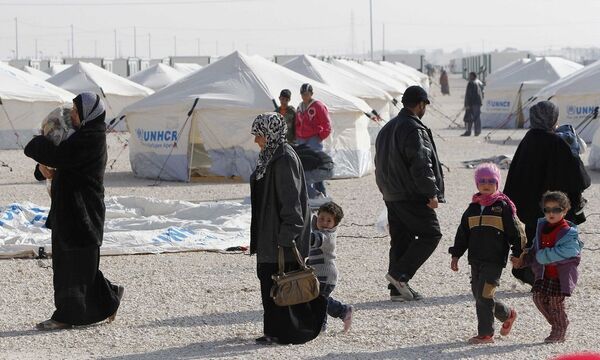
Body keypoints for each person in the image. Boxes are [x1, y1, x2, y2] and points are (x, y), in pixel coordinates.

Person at [24, 92, 124, 330]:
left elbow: (57, 155)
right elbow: (58, 160)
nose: (71, 114)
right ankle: (108, 297)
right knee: (69, 264)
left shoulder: (91, 138)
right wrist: (42, 167)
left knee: (78, 265)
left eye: (76, 111)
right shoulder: (80, 136)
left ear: (87, 115)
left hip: (84, 212)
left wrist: (38, 143)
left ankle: (68, 315)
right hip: (69, 210)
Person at [249, 112, 326, 345]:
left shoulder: (284, 159)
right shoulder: (270, 156)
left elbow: (292, 201)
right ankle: (274, 331)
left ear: (270, 134)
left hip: (280, 236)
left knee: (284, 283)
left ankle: (289, 331)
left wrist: (287, 236)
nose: (256, 141)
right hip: (269, 234)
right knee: (270, 282)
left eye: (259, 135)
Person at [504, 101, 590, 286]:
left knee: (532, 238)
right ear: (553, 119)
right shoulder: (557, 142)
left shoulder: (528, 139)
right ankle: (540, 275)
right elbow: (581, 179)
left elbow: (515, 176)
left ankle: (527, 269)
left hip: (527, 208)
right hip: (551, 209)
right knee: (554, 242)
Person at [374, 85, 445, 302]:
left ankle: (397, 291)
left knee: (401, 239)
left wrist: (385, 190)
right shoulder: (413, 128)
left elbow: (379, 164)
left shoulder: (387, 128)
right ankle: (399, 276)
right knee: (431, 233)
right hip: (411, 194)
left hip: (392, 194)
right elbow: (421, 164)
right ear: (421, 104)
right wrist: (431, 194)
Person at [449, 163, 526, 344]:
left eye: (491, 181)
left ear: (497, 183)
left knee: (484, 295)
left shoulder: (503, 207)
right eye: (482, 180)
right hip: (475, 259)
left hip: (494, 261)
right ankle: (508, 314)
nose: (486, 184)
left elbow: (517, 232)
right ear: (477, 184)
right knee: (480, 295)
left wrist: (518, 254)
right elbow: (463, 234)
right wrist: (456, 255)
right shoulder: (472, 208)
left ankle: (485, 334)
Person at [512, 191, 582, 343]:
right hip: (544, 275)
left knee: (556, 304)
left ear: (565, 210)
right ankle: (560, 322)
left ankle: (558, 330)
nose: (551, 213)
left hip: (559, 276)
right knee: (538, 299)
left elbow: (571, 251)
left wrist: (544, 256)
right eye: (547, 209)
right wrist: (522, 262)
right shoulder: (542, 227)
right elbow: (535, 249)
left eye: (556, 210)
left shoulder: (568, 232)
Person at [306, 202, 353, 333]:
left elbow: (313, 239)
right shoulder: (319, 230)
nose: (324, 222)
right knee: (319, 299)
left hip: (326, 276)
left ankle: (342, 311)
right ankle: (323, 324)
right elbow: (314, 228)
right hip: (319, 274)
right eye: (321, 218)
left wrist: (299, 233)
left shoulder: (327, 236)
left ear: (335, 224)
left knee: (319, 300)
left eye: (329, 220)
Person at [295, 83, 332, 198]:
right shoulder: (300, 107)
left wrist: (319, 136)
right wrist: (297, 135)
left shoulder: (318, 106)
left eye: (307, 94)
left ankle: (321, 193)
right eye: (303, 94)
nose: (305, 96)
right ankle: (310, 195)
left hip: (313, 139)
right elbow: (297, 123)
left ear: (311, 94)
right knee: (304, 167)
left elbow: (326, 123)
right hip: (301, 139)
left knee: (316, 166)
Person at [462, 72, 483, 136]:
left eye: (470, 76)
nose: (469, 77)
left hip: (472, 103)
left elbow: (469, 95)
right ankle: (477, 131)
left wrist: (467, 104)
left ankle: (468, 131)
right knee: (477, 117)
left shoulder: (471, 83)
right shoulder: (479, 82)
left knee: (468, 118)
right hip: (478, 103)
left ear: (473, 76)